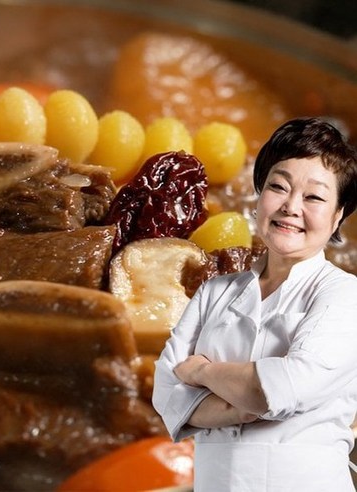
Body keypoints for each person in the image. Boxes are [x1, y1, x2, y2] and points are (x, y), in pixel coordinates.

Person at [152, 117, 357, 491]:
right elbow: (166, 395)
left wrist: (202, 372)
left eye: (313, 197)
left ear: (338, 215)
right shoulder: (214, 290)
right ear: (260, 193)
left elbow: (281, 389)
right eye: (278, 187)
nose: (291, 206)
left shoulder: (345, 293)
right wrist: (242, 403)